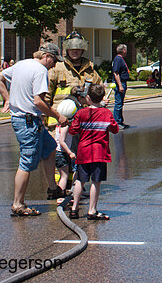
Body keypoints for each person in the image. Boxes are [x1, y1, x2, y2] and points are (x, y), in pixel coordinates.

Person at [0, 43, 68, 216]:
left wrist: (7, 99)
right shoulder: (41, 70)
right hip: (27, 122)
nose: (54, 65)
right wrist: (58, 116)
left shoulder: (21, 64)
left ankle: (52, 189)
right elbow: (39, 101)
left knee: (50, 148)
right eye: (54, 61)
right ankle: (18, 204)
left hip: (27, 120)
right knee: (26, 162)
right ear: (47, 56)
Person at [68, 83, 119, 220]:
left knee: (80, 180)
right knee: (96, 182)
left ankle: (74, 209)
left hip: (83, 151)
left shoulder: (81, 113)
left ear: (88, 98)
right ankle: (92, 210)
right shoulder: (106, 113)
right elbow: (115, 129)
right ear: (102, 98)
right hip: (99, 153)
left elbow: (73, 131)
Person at [112, 44, 130, 129]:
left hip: (122, 83)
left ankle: (120, 121)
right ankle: (117, 122)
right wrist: (120, 85)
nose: (126, 51)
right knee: (118, 103)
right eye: (125, 49)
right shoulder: (118, 59)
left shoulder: (120, 59)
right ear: (123, 50)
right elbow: (116, 73)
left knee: (120, 103)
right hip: (120, 83)